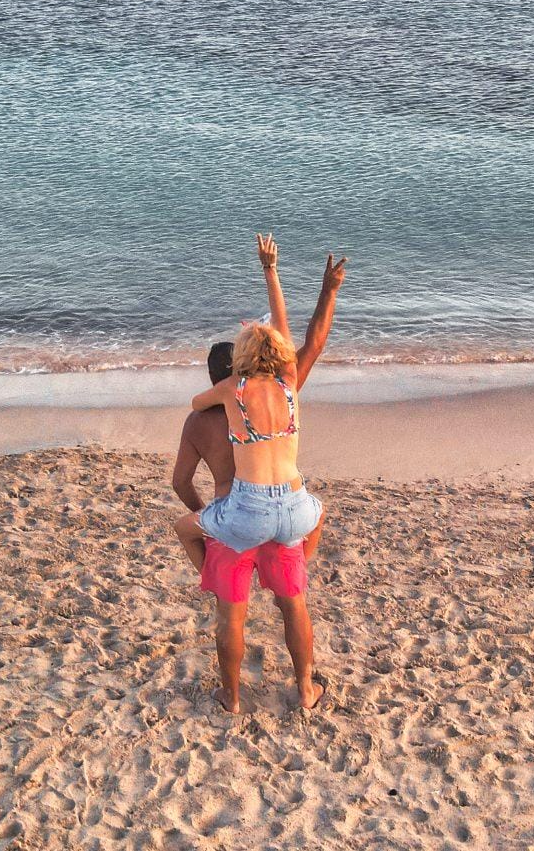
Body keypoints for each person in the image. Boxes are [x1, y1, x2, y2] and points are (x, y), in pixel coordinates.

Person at [174, 234, 337, 713]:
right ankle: (306, 689)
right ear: (280, 356)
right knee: (298, 592)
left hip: (243, 515)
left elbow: (194, 406)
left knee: (225, 602)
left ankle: (232, 698)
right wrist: (275, 271)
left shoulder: (231, 392)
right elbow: (296, 333)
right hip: (293, 507)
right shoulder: (289, 385)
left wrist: (222, 389)